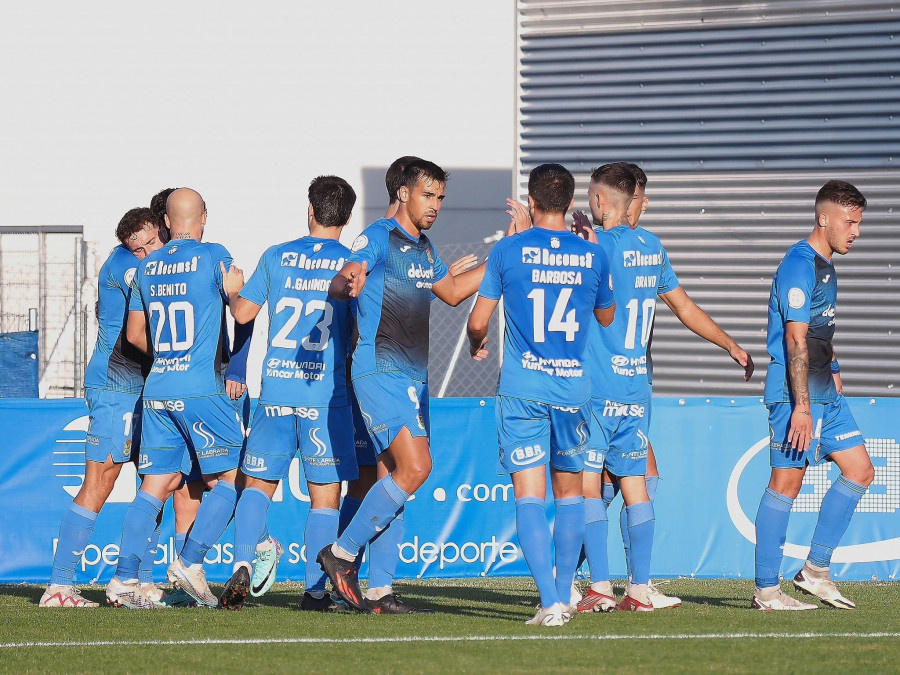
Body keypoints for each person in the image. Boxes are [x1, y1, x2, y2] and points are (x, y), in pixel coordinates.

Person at [573, 163, 753, 613]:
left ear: (598, 202)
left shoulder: (593, 249)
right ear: (630, 199)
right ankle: (639, 589)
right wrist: (729, 343)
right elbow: (685, 308)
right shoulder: (652, 247)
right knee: (637, 485)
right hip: (637, 389)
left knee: (588, 487)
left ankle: (597, 586)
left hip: (596, 388)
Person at [318, 158, 495, 613]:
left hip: (413, 377)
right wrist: (345, 282)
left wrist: (505, 259)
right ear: (402, 193)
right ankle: (339, 556)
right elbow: (348, 274)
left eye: (440, 197)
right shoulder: (378, 237)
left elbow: (453, 292)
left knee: (392, 477)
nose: (435, 205)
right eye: (427, 195)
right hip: (379, 370)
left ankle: (379, 590)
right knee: (416, 468)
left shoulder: (424, 246)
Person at [468, 163, 615, 626]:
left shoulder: (509, 251)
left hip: (523, 391)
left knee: (529, 496)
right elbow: (607, 318)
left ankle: (551, 601)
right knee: (570, 495)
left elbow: (477, 319)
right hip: (573, 390)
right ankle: (567, 594)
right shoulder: (594, 254)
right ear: (570, 204)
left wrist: (479, 342)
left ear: (531, 204)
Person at [217, 175, 359, 611]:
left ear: (311, 210)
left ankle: (243, 563)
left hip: (275, 390)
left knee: (257, 486)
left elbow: (243, 312)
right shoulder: (352, 264)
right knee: (325, 495)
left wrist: (231, 291)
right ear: (347, 217)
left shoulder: (277, 255)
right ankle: (315, 592)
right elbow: (356, 335)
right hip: (325, 395)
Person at [105, 187, 249, 609]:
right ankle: (190, 561)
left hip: (158, 388)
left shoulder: (147, 269)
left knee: (157, 484)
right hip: (201, 385)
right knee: (235, 478)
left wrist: (169, 356)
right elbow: (241, 311)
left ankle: (124, 580)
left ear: (166, 223)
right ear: (203, 217)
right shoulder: (212, 254)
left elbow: (134, 335)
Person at [753, 180, 873, 610]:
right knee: (786, 484)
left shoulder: (827, 264)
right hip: (795, 396)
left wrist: (836, 369)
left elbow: (822, 329)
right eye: (849, 221)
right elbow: (795, 340)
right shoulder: (799, 265)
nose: (855, 230)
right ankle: (766, 590)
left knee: (860, 470)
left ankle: (814, 571)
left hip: (826, 392)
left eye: (859, 222)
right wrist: (801, 408)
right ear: (824, 218)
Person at [40, 208, 164, 608]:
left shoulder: (146, 261)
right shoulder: (129, 266)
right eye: (139, 246)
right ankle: (59, 586)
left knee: (156, 479)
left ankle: (139, 582)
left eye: (151, 243)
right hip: (117, 385)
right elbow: (139, 329)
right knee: (101, 480)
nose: (147, 252)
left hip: (145, 385)